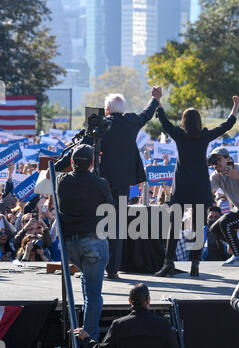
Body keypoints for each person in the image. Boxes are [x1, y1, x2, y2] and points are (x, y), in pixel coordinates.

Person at [52, 86, 161, 280]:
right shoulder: (131, 122)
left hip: (99, 183)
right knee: (117, 226)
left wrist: (57, 167)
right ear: (123, 109)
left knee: (97, 223)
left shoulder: (100, 126)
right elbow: (147, 114)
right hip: (123, 184)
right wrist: (155, 98)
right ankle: (113, 270)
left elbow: (79, 147)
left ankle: (93, 266)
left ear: (107, 110)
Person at [155, 96, 239, 277]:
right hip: (201, 188)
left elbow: (163, 121)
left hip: (182, 188)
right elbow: (227, 124)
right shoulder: (204, 136)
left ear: (184, 122)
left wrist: (157, 100)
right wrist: (235, 106)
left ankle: (168, 263)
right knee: (197, 227)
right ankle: (195, 265)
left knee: (174, 226)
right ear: (199, 121)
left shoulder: (179, 135)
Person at [57, 144, 113, 341]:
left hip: (69, 245)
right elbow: (109, 209)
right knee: (94, 294)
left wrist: (70, 158)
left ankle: (83, 332)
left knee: (87, 280)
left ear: (71, 162)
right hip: (93, 243)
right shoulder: (100, 183)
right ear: (92, 163)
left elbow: (55, 167)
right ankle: (89, 340)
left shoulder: (61, 181)